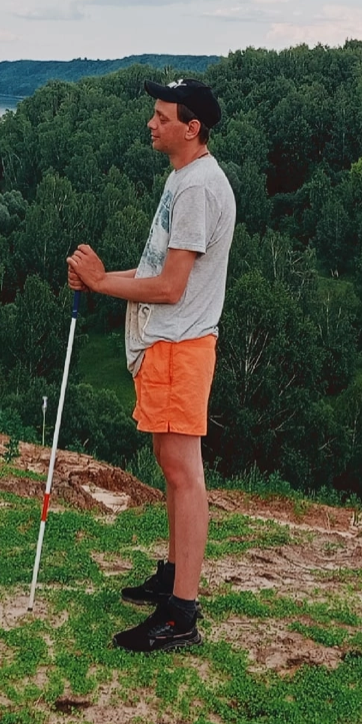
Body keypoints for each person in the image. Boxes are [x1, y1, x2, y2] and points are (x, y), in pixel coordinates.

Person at [66, 78, 235, 652]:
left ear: (192, 128)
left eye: (162, 117)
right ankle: (173, 575)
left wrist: (99, 284)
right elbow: (158, 274)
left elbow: (169, 287)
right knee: (170, 461)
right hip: (171, 342)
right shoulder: (184, 178)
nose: (151, 123)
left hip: (180, 344)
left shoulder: (197, 190)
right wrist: (100, 280)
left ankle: (181, 612)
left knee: (184, 471)